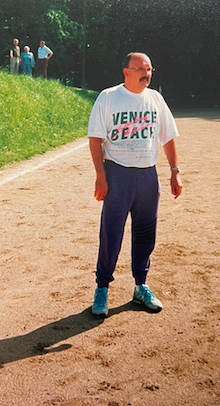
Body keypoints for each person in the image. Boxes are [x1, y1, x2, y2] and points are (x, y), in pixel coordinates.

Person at [87, 52, 182, 318]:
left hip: (147, 176)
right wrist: (100, 175)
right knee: (112, 234)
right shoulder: (108, 97)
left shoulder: (156, 99)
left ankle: (141, 286)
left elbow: (168, 137)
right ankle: (102, 287)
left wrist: (175, 171)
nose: (146, 74)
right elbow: (95, 139)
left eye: (149, 69)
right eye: (140, 69)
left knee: (146, 233)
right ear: (126, 72)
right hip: (118, 175)